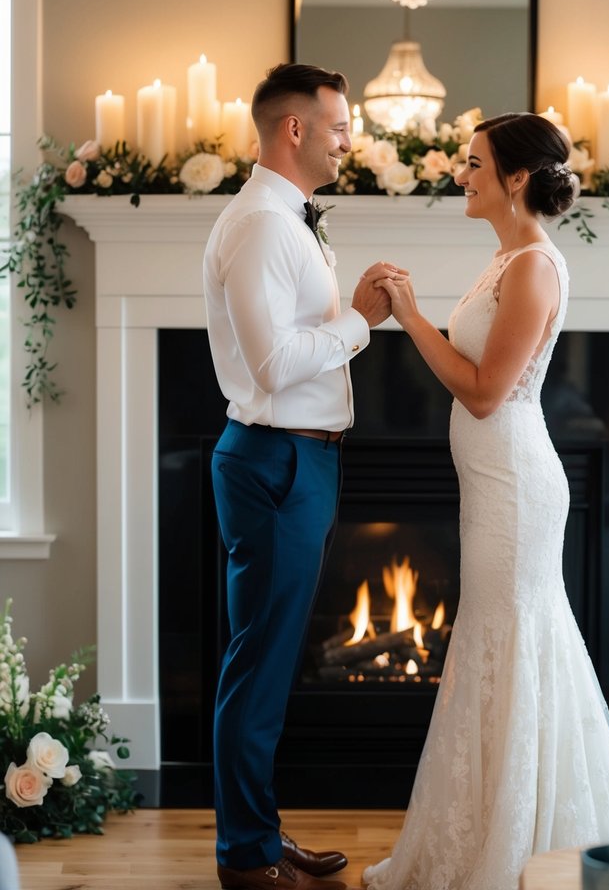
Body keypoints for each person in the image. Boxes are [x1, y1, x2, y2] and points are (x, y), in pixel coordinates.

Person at [363, 113, 609, 890]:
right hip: (493, 486)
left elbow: (484, 391)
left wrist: (407, 319)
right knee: (500, 647)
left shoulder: (532, 265)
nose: (460, 174)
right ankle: (493, 833)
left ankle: (512, 851)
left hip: (514, 487)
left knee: (508, 644)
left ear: (516, 178)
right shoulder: (504, 259)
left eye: (472, 164)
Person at [204, 62, 399, 890]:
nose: (350, 137)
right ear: (294, 130)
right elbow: (274, 366)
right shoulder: (261, 225)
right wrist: (362, 320)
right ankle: (245, 858)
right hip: (277, 456)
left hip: (300, 456)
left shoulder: (289, 220)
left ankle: (257, 833)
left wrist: (349, 313)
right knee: (259, 666)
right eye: (340, 125)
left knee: (271, 663)